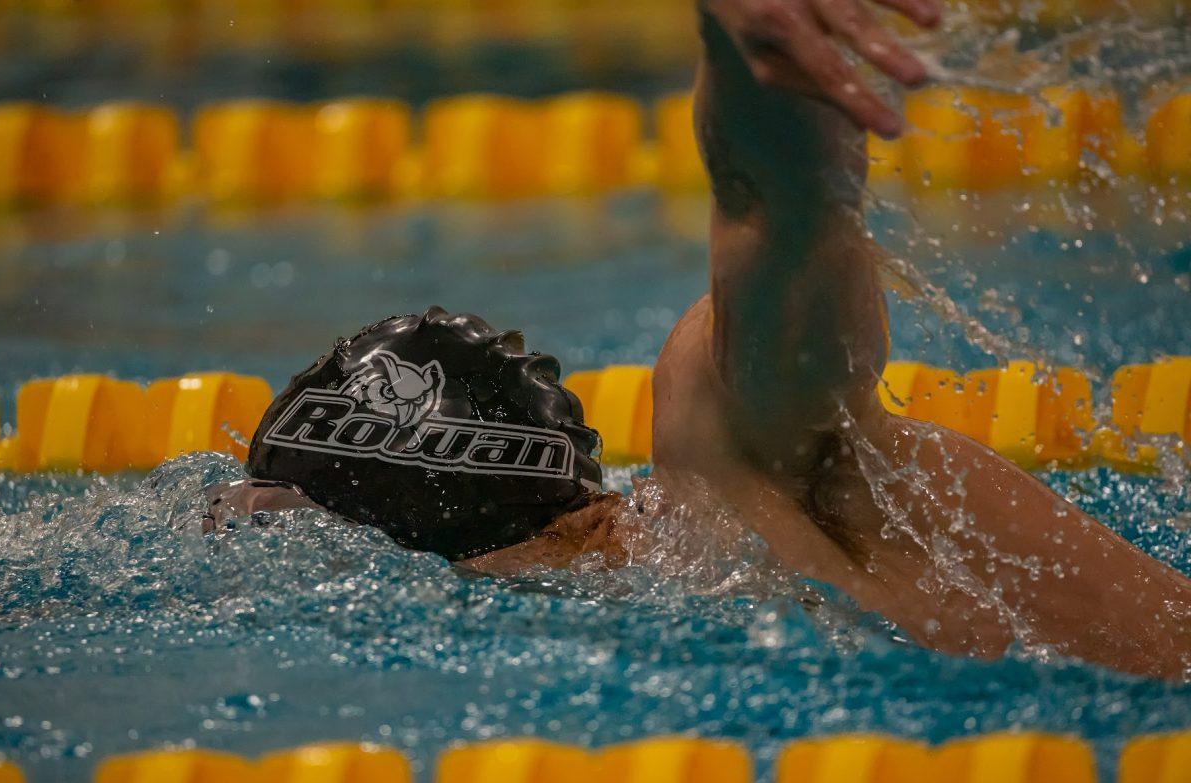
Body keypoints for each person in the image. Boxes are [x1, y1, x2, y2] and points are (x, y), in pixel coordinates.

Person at [207, 0, 1191, 680]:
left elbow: (781, 207)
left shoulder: (729, 466)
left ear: (384, 543)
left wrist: (737, 43)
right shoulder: (670, 568)